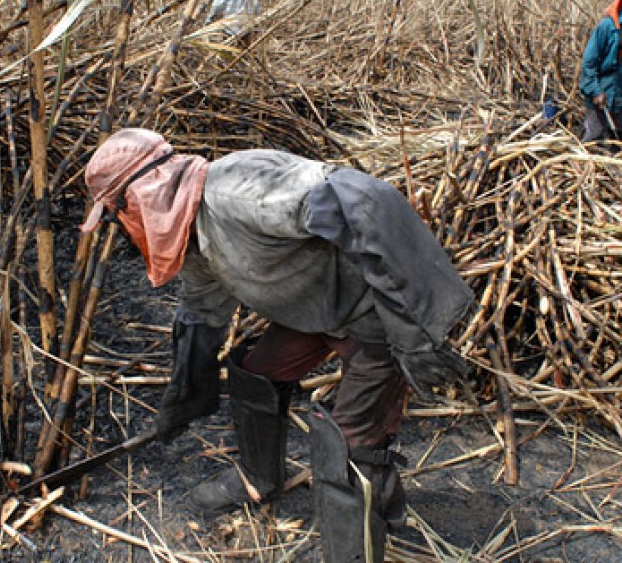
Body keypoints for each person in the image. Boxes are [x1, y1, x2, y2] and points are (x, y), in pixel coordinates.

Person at [80, 128, 473, 562]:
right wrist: (185, 396)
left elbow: (365, 200)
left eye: (118, 214)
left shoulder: (238, 193)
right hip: (315, 310)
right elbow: (201, 314)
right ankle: (259, 479)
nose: (120, 226)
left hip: (374, 316)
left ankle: (356, 551)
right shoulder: (190, 231)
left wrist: (418, 331)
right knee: (256, 374)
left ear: (140, 195)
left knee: (350, 440)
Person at [580, 0, 622, 142]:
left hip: (620, 99)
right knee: (594, 140)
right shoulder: (606, 27)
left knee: (616, 143)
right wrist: (595, 91)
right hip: (602, 97)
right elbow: (588, 63)